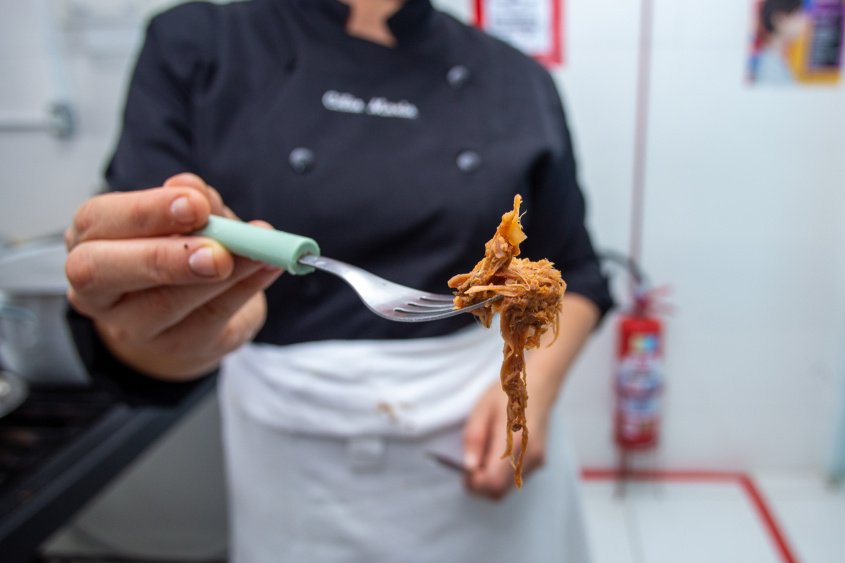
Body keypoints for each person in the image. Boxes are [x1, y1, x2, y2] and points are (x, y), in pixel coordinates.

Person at [63, 0, 613, 561]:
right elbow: (141, 295)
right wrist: (154, 323)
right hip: (297, 462)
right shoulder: (202, 43)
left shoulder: (516, 77)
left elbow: (577, 272)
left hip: (484, 439)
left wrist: (531, 389)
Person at [751, 0, 807, 84]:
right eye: (798, 15)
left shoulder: (780, 58)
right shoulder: (770, 68)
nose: (804, 21)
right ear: (780, 20)